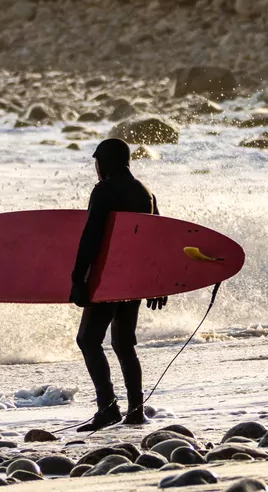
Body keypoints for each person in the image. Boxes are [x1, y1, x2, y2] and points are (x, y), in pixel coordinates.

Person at [70, 138, 168, 431]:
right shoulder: (145, 192)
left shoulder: (103, 190)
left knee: (88, 339)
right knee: (124, 342)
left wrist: (78, 279)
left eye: (96, 162)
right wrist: (157, 282)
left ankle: (108, 407)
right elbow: (158, 238)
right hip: (135, 278)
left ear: (105, 162)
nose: (96, 169)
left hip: (109, 276)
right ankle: (136, 410)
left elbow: (91, 237)